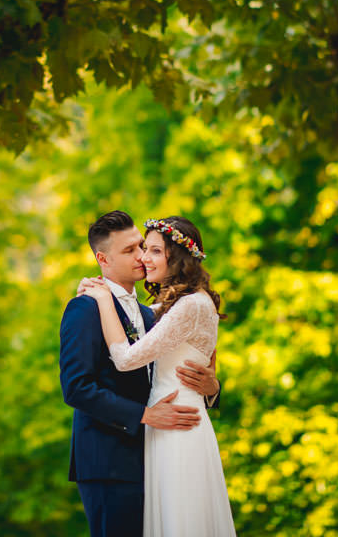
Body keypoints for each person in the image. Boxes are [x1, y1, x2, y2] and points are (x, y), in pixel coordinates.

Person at [60, 210, 222, 537]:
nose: (141, 256)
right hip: (109, 462)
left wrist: (212, 388)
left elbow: (179, 366)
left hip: (157, 456)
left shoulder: (155, 313)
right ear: (103, 258)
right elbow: (77, 388)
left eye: (142, 247)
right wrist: (146, 416)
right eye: (130, 250)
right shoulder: (86, 307)